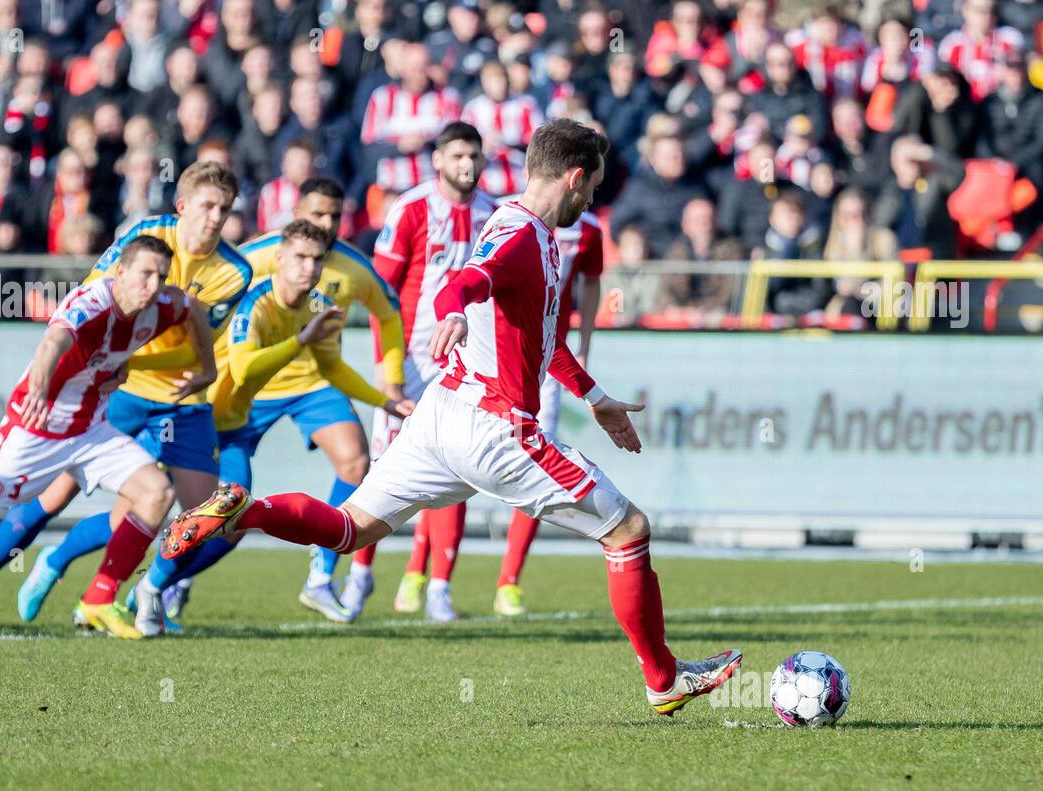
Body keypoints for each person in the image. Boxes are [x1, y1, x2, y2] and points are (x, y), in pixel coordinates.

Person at [163, 119, 741, 716]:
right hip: (495, 428)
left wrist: (594, 397)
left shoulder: (517, 225)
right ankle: (663, 678)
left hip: (441, 414)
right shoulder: (522, 236)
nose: (591, 200)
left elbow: (541, 335)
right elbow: (462, 284)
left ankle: (245, 510)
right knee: (629, 530)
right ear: (572, 178)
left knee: (350, 528)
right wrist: (454, 313)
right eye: (591, 187)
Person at [0, 162, 249, 634]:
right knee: (52, 495)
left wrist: (166, 368)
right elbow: (94, 298)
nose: (216, 217)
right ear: (182, 207)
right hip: (118, 390)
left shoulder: (235, 271)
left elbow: (191, 343)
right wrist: (102, 367)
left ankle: (146, 591)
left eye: (225, 209)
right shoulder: (146, 236)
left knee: (214, 521)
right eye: (207, 206)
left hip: (180, 396)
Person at [0, 237, 210, 638]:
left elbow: (192, 309)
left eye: (161, 276)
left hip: (91, 430)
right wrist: (40, 389)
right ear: (121, 272)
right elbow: (52, 342)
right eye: (145, 273)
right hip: (34, 430)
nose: (154, 284)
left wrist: (208, 370)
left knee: (156, 493)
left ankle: (98, 599)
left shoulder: (162, 305)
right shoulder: (92, 303)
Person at [139, 178, 411, 625]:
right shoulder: (256, 263)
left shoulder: (347, 273)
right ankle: (159, 580)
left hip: (308, 382)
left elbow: (388, 313)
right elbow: (220, 326)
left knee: (353, 462)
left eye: (334, 216)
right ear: (293, 224)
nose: (326, 225)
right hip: (236, 395)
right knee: (198, 502)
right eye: (317, 214)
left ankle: (320, 576)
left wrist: (390, 393)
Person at [350, 121, 498, 623]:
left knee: (459, 466)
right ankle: (360, 577)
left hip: (462, 363)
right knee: (384, 468)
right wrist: (387, 368)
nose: (467, 165)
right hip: (409, 360)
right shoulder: (412, 208)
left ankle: (439, 587)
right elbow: (378, 292)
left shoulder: (494, 215)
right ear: (437, 160)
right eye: (457, 155)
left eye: (474, 156)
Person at [493, 205, 602, 616]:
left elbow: (591, 285)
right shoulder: (508, 219)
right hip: (498, 358)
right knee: (461, 456)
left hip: (549, 362)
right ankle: (427, 577)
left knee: (536, 461)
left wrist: (585, 346)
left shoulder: (589, 230)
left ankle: (509, 581)